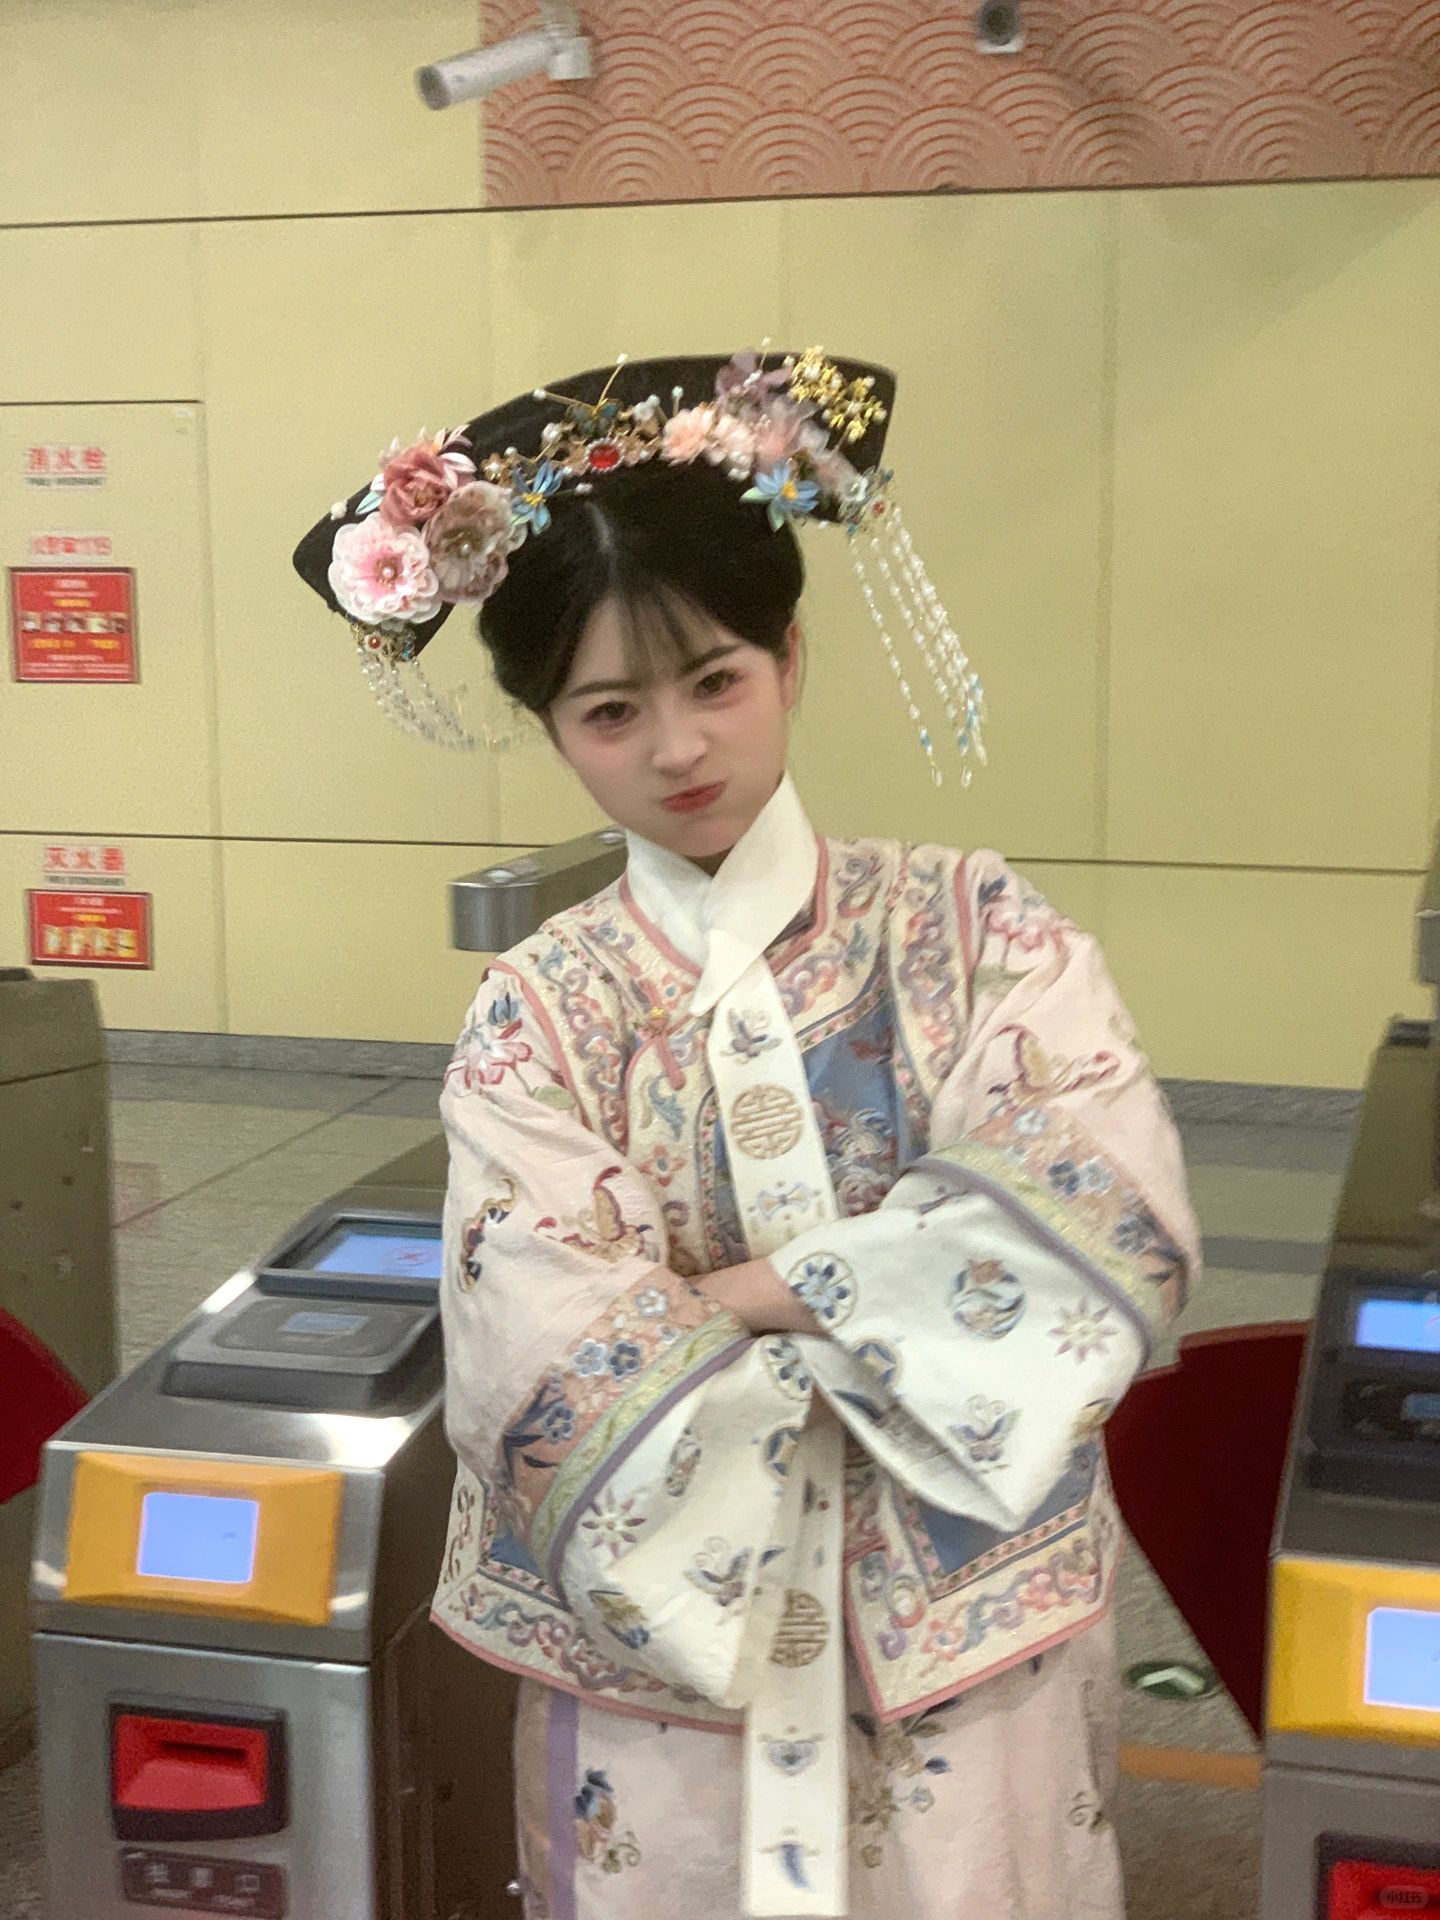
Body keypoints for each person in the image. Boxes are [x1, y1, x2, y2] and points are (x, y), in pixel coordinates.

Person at [294, 349, 1199, 1920]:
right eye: (610, 710)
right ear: (550, 726)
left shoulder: (974, 926)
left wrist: (730, 1299)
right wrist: (890, 1282)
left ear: (789, 656)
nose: (676, 750)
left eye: (714, 681)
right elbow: (538, 1343)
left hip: (964, 1655)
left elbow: (1096, 1216)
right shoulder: (540, 1008)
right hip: (669, 1683)